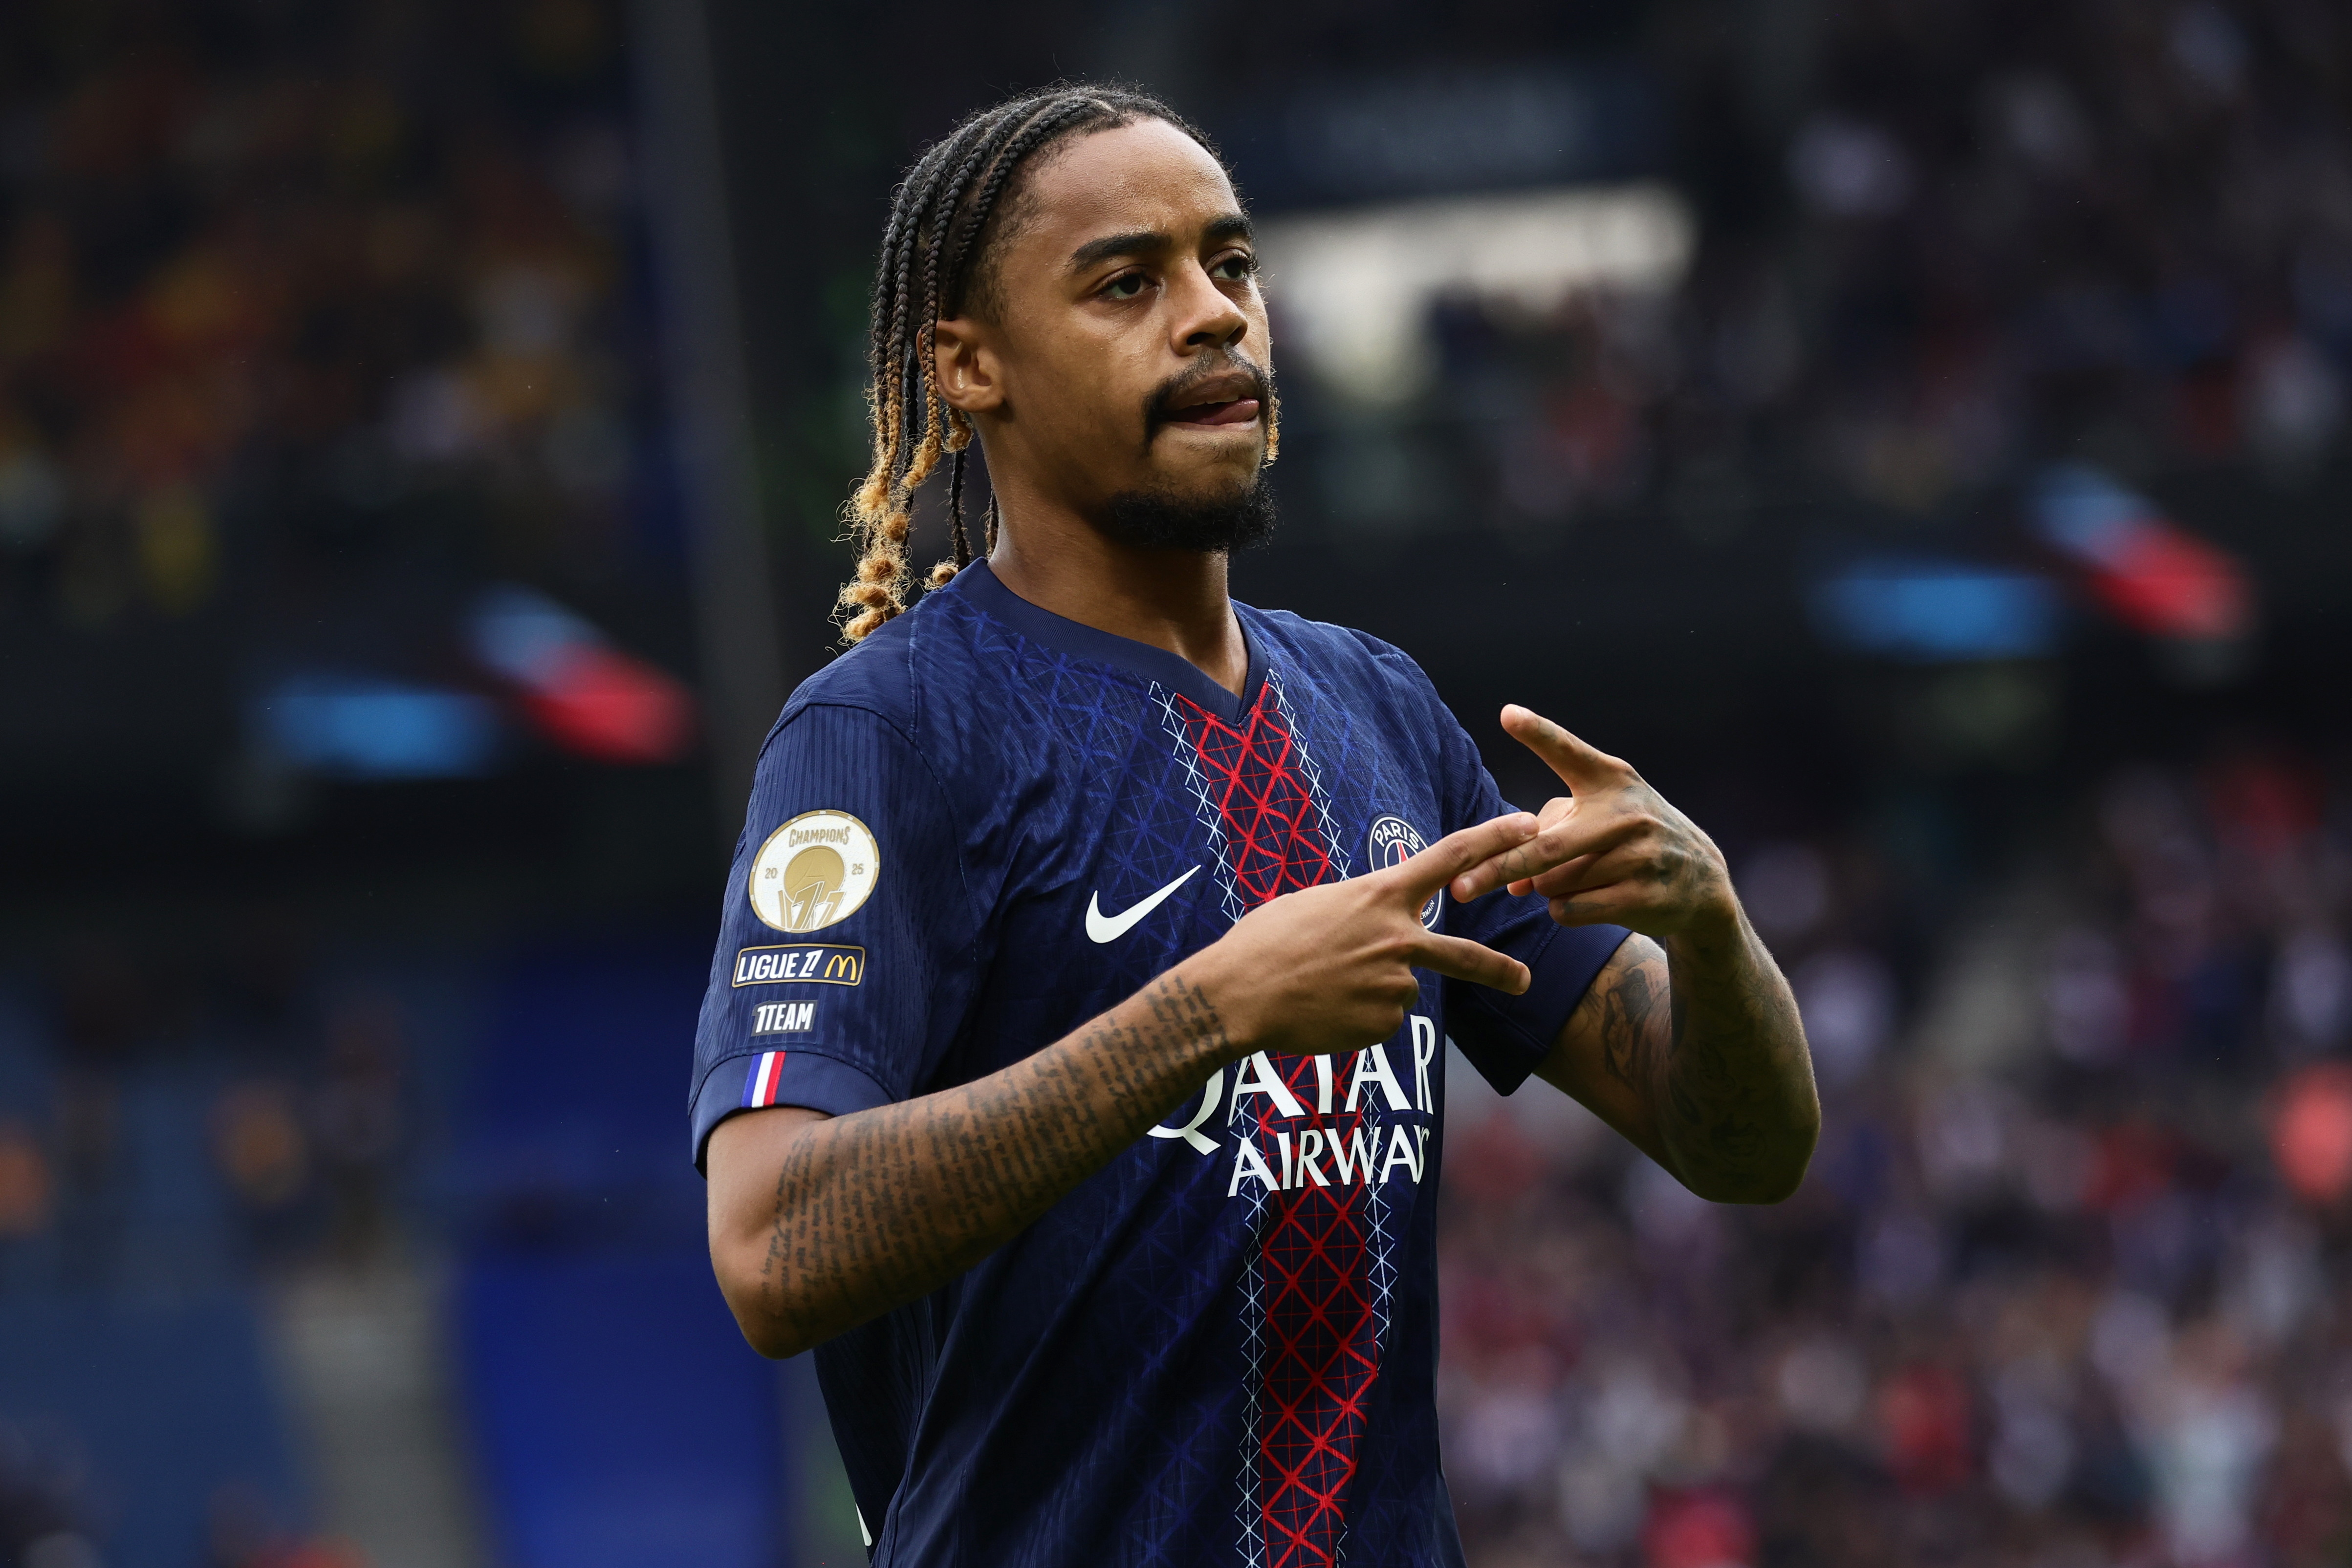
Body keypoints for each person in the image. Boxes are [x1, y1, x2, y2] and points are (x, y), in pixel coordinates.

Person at [694, 85, 1819, 1567]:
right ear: (969, 366)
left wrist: (1712, 925)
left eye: (1231, 265)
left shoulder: (1378, 707)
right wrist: (1207, 1013)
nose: (1215, 314)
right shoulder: (888, 735)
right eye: (1126, 283)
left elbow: (1739, 1147)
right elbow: (770, 1247)